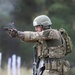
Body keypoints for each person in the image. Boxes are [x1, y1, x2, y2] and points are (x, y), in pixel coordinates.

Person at [6, 15, 72, 75]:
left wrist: (17, 33)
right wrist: (17, 34)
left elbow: (34, 36)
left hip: (54, 71)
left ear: (44, 25)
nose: (35, 29)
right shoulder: (44, 37)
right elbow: (29, 38)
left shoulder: (52, 33)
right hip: (49, 70)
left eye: (37, 27)